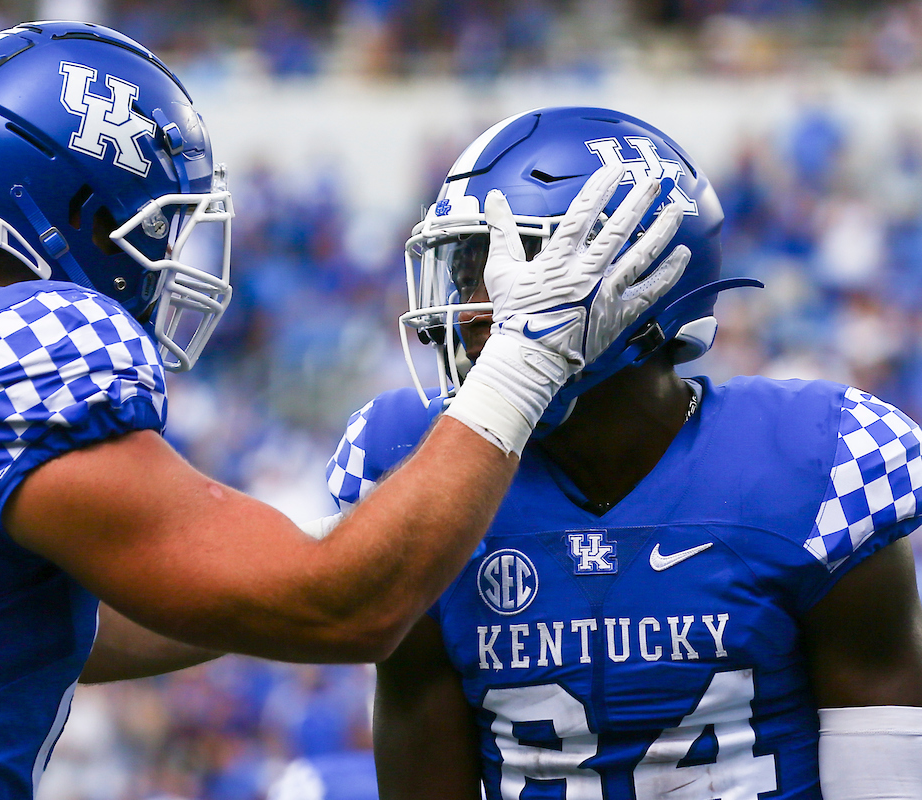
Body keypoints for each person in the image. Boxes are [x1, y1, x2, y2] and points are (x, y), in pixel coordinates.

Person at [0, 27, 688, 798]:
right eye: (160, 221)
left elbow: (18, 620)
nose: (176, 257)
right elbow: (339, 609)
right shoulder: (27, 345)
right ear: (89, 216)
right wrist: (518, 367)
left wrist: (354, 535)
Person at [325, 107, 922, 799]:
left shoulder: (820, 465)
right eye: (466, 272)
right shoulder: (404, 459)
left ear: (644, 277)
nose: (468, 307)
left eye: (511, 265)